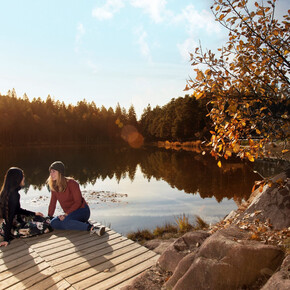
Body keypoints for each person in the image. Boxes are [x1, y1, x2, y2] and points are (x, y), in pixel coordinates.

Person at [47, 161, 105, 236]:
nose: (51, 174)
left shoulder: (72, 183)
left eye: (53, 171)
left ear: (60, 172)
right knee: (53, 223)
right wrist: (49, 217)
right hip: (69, 214)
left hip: (82, 211)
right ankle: (78, 224)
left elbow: (78, 202)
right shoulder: (54, 187)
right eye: (50, 172)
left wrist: (65, 215)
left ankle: (93, 228)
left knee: (66, 222)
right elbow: (52, 203)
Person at [0, 167, 51, 247]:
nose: (24, 178)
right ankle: (14, 233)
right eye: (22, 176)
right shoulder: (14, 195)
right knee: (45, 227)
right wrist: (6, 239)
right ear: (17, 179)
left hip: (12, 222)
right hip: (13, 226)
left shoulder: (9, 192)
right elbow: (9, 217)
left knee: (44, 219)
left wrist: (34, 213)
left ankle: (9, 231)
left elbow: (17, 210)